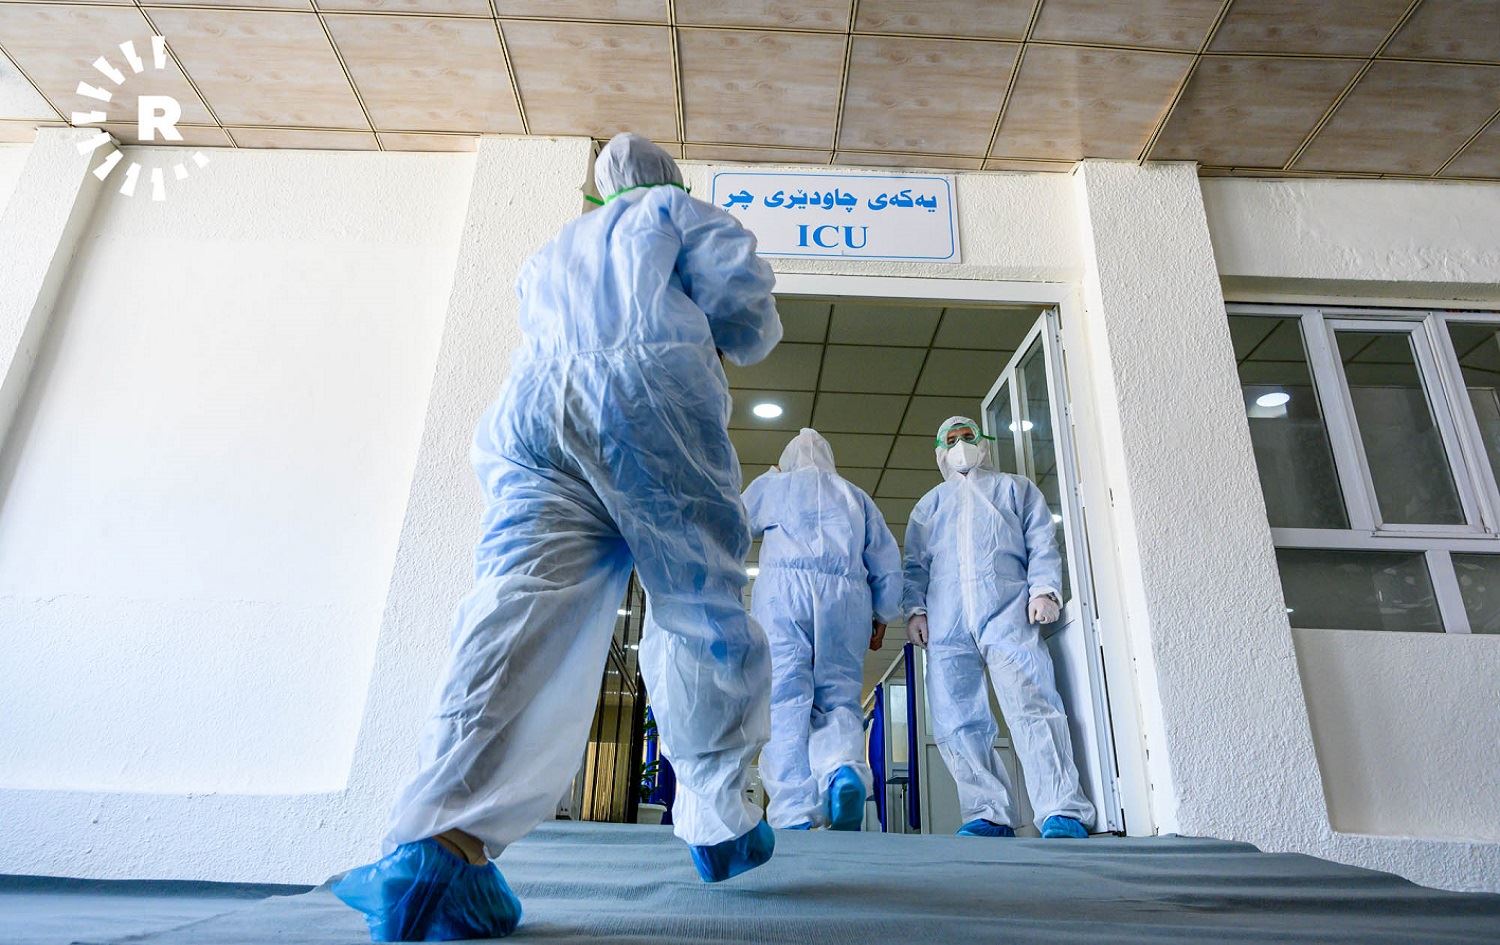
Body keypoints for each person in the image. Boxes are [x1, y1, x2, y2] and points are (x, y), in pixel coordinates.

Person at [333, 133, 783, 942]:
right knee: (697, 598)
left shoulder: (552, 249)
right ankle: (723, 817)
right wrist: (721, 336)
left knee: (515, 607)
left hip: (533, 411)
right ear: (663, 182)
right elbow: (744, 306)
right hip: (650, 395)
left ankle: (441, 843)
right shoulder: (677, 210)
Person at [902, 416, 1095, 840]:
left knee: (1032, 705)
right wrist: (915, 610)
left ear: (984, 443)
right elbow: (915, 564)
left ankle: (1062, 809)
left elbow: (1041, 541)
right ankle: (987, 813)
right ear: (939, 451)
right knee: (957, 719)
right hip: (947, 623)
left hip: (1007, 613)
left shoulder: (1016, 489)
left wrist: (1044, 590)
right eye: (950, 440)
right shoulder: (929, 505)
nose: (960, 445)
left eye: (967, 437)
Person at [742, 429, 902, 832]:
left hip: (784, 598)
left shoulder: (776, 487)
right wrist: (882, 614)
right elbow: (886, 561)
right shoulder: (855, 497)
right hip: (845, 601)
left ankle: (795, 809)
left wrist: (769, 476)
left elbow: (733, 521)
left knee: (785, 700)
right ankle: (843, 771)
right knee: (838, 698)